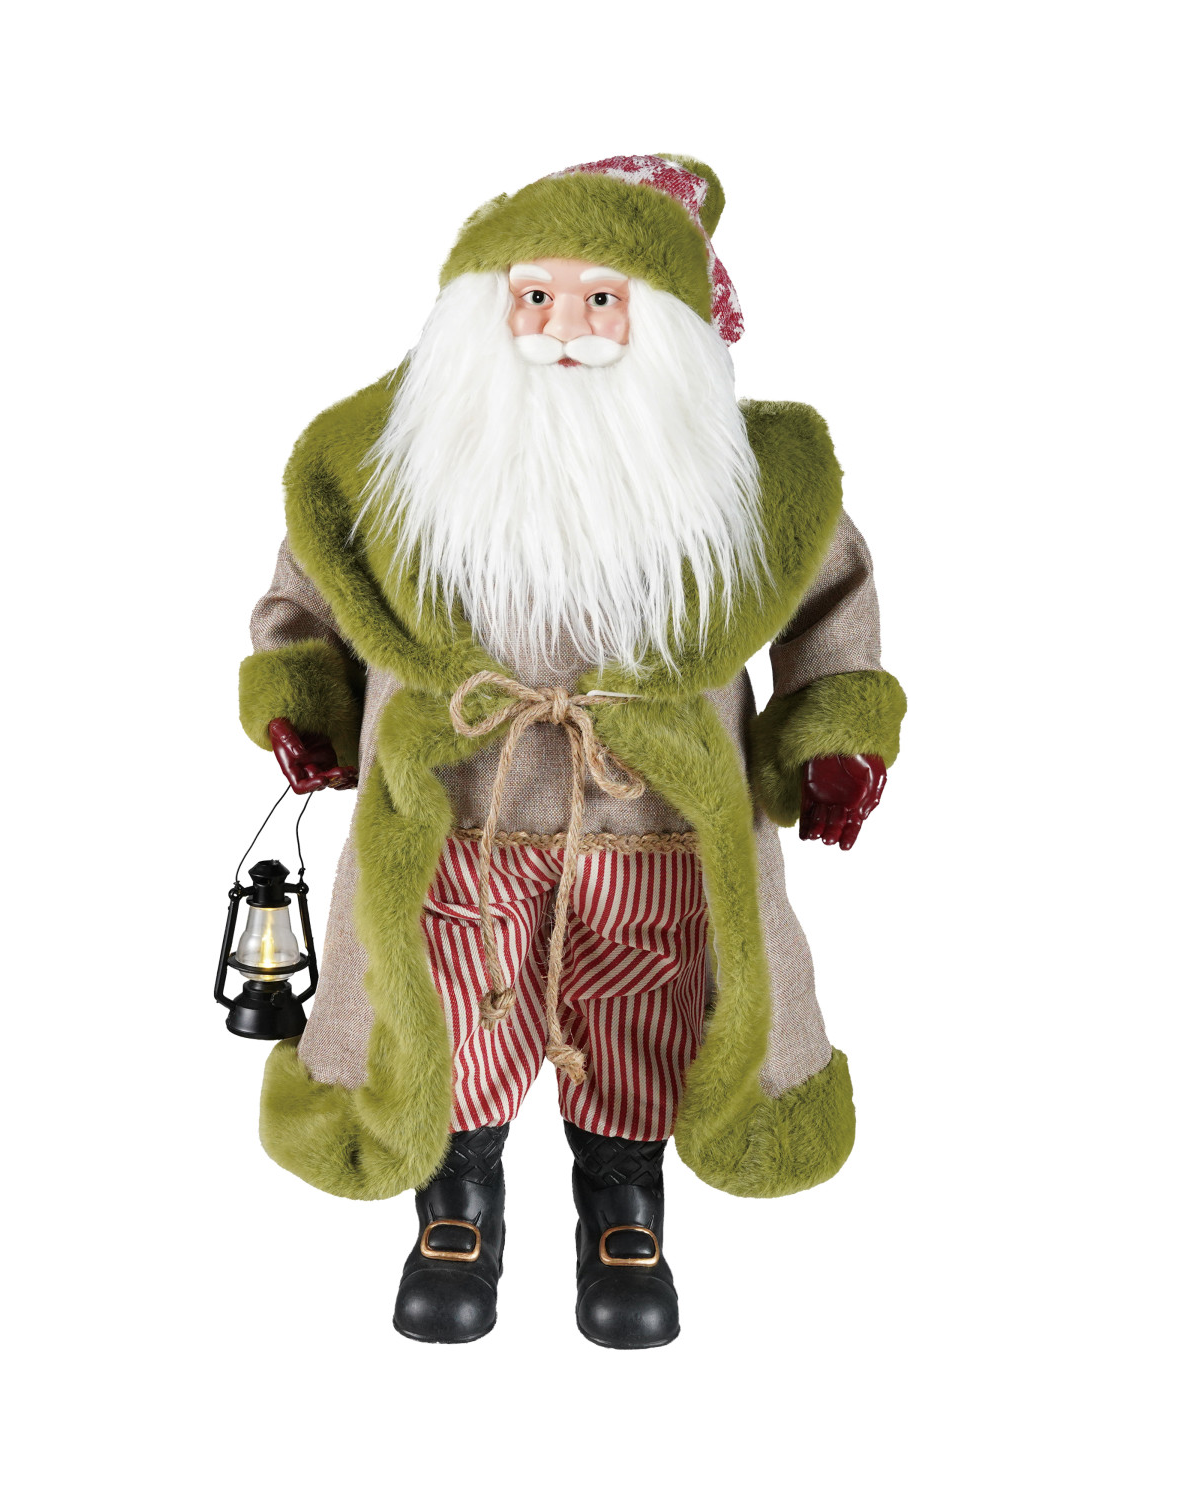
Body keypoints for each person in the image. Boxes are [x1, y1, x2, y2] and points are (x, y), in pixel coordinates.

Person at [238, 155, 906, 1347]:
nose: (562, 330)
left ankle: (623, 1209)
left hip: (655, 819)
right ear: (477, 311)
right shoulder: (380, 463)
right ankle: (458, 1202)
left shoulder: (755, 479)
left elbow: (829, 598)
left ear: (668, 325)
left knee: (643, 1006)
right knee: (446, 999)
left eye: (603, 300)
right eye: (534, 297)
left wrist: (833, 734)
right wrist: (306, 704)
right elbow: (311, 592)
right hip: (454, 815)